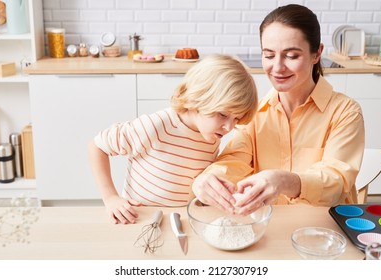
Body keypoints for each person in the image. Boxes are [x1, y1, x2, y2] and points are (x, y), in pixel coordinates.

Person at [192, 4, 365, 215]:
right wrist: (209, 178)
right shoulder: (256, 112)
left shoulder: (345, 112)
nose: (277, 67)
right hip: (270, 229)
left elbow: (337, 180)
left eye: (291, 56)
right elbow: (234, 158)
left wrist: (286, 181)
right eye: (269, 55)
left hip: (326, 229)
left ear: (316, 54)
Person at [88, 54, 258, 224]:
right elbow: (97, 146)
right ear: (197, 98)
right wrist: (110, 198)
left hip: (179, 219)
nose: (229, 127)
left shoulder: (211, 134)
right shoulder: (155, 126)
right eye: (222, 114)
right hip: (139, 218)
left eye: (236, 118)